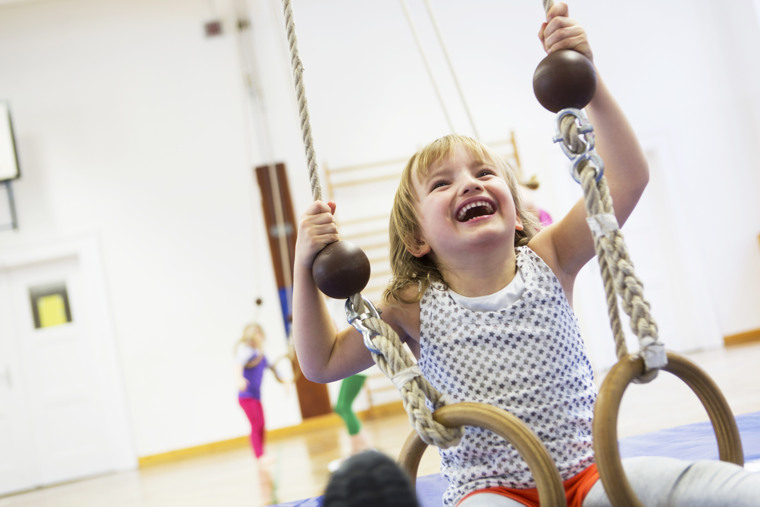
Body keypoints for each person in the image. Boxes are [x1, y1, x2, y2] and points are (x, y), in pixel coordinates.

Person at [293, 3, 760, 506]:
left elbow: (626, 180)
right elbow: (320, 363)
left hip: (589, 476)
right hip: (489, 491)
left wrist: (589, 78)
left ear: (517, 214)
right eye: (443, 183)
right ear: (417, 240)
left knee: (713, 488)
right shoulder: (411, 305)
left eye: (485, 173)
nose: (469, 183)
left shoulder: (551, 256)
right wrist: (305, 264)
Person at [234, 322, 281, 465]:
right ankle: (259, 455)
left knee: (262, 424)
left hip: (256, 396)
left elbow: (274, 368)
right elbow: (238, 364)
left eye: (259, 333)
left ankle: (262, 453)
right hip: (246, 397)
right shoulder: (247, 352)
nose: (258, 336)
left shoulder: (261, 356)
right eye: (255, 334)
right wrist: (239, 379)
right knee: (256, 424)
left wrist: (285, 381)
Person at [328, 373, 373, 472]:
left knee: (345, 406)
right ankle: (367, 446)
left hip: (359, 370)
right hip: (351, 369)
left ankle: (355, 452)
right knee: (339, 407)